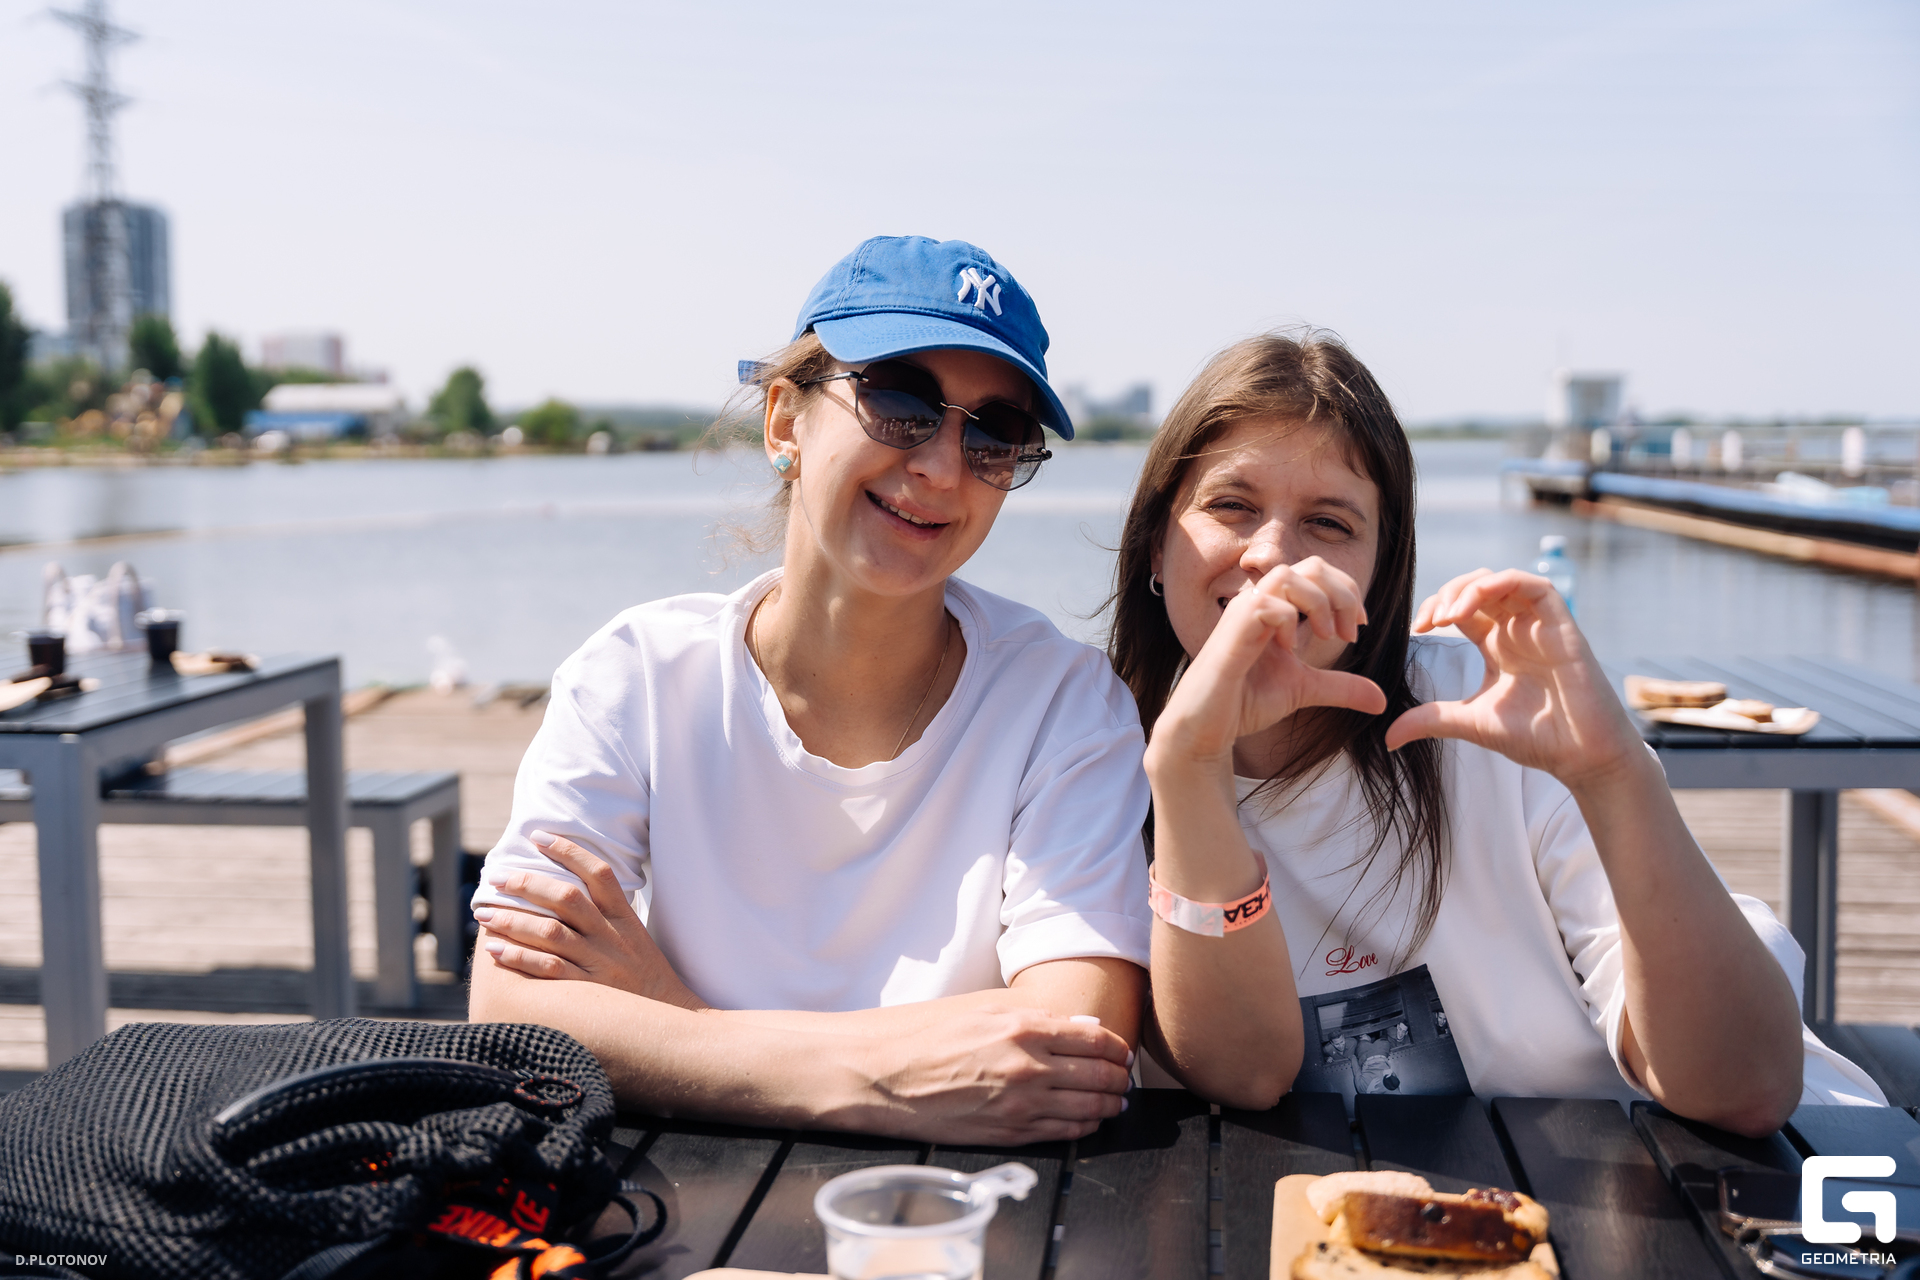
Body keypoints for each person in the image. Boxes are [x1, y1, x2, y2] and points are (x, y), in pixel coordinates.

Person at [467, 236, 1150, 1147]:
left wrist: (674, 1020)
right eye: (900, 402)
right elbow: (510, 1004)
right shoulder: (635, 676)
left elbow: (1080, 1042)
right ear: (785, 421)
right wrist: (877, 1078)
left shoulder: (1062, 702)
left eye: (995, 434)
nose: (943, 468)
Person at [1111, 332, 1885, 1133]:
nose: (1274, 556)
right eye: (1231, 506)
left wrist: (1615, 773)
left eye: (1330, 523)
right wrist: (1191, 767)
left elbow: (1743, 1084)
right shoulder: (1088, 746)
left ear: (1381, 572)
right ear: (1157, 547)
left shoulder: (1486, 709)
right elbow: (1243, 1072)